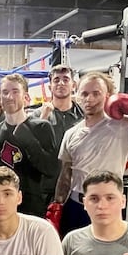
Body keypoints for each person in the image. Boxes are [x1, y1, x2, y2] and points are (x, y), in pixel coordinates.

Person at [46, 72, 128, 236]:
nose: (89, 99)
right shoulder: (71, 133)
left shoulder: (124, 125)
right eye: (84, 94)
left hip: (108, 205)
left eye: (96, 93)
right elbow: (66, 175)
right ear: (77, 96)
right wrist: (57, 206)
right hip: (76, 205)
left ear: (108, 96)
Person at [0, 73, 56, 217]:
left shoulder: (41, 127)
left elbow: (51, 169)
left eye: (15, 91)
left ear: (26, 97)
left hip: (32, 207)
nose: (9, 97)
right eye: (5, 92)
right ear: (0, 98)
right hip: (2, 207)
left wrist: (28, 139)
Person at [32, 64, 84, 207]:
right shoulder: (38, 115)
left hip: (75, 187)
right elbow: (31, 149)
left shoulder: (84, 116)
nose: (61, 83)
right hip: (45, 187)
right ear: (50, 87)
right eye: (56, 80)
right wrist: (42, 120)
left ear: (73, 85)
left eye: (66, 79)